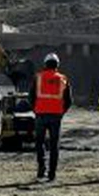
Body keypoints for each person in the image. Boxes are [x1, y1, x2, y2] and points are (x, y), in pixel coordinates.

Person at [33, 52, 72, 182]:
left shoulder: (38, 77)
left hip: (41, 115)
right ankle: (52, 173)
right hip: (56, 116)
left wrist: (36, 110)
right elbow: (69, 100)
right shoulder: (63, 79)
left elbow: (30, 97)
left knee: (40, 142)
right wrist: (61, 112)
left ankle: (41, 169)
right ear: (57, 64)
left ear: (45, 64)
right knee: (54, 145)